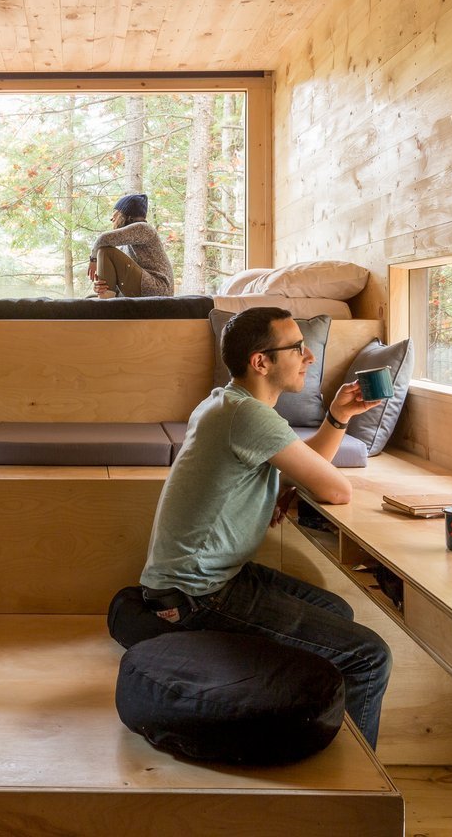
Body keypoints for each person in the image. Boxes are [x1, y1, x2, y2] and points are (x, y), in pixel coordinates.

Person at [138, 306, 393, 747]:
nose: (310, 357)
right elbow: (337, 490)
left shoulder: (227, 401)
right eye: (298, 348)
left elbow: (307, 466)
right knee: (369, 656)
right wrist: (295, 481)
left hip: (208, 577)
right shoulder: (248, 416)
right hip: (198, 594)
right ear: (261, 362)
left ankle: (299, 721)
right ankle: (351, 773)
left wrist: (338, 417)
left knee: (337, 614)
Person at [87, 193, 175, 298]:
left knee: (105, 251)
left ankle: (105, 305)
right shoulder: (124, 246)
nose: (112, 218)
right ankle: (105, 300)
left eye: (115, 213)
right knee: (89, 298)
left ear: (125, 215)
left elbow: (103, 238)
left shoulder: (144, 228)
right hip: (144, 287)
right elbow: (122, 282)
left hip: (158, 288)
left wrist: (93, 259)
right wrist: (101, 287)